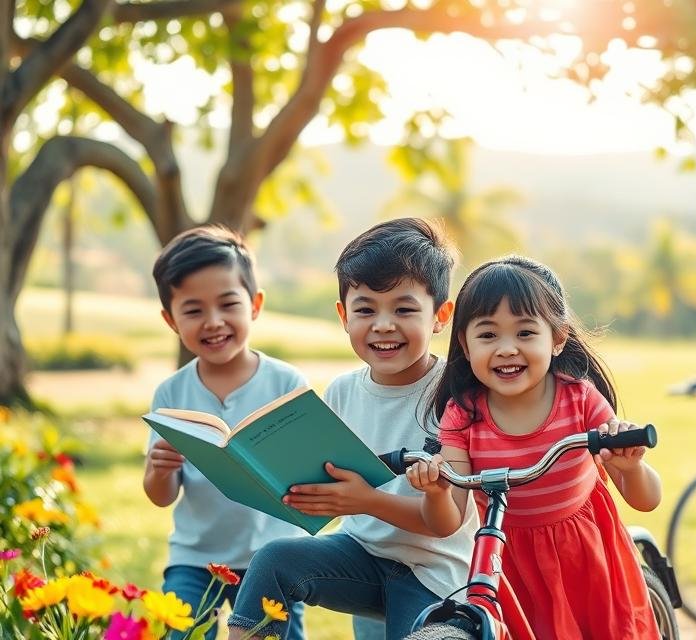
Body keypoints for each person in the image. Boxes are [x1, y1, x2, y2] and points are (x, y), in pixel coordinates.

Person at [225, 218, 477, 640]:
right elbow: (330, 478)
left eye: (404, 308)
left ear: (440, 315)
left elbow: (445, 523)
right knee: (272, 560)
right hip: (359, 556)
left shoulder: (455, 395)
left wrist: (365, 500)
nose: (382, 324)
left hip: (435, 573)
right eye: (365, 309)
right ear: (343, 316)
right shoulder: (342, 391)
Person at [406, 255, 662, 640]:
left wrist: (629, 468)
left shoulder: (579, 400)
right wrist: (438, 491)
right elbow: (446, 522)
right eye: (488, 335)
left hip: (585, 560)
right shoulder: (463, 413)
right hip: (505, 563)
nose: (507, 348)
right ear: (465, 343)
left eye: (525, 333)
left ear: (557, 339)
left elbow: (646, 500)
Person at [144, 225, 307, 640]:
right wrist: (159, 471)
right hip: (195, 557)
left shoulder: (286, 383)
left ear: (254, 305)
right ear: (170, 319)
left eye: (227, 304)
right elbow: (161, 497)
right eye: (194, 310)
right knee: (178, 633)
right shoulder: (172, 392)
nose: (213, 322)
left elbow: (307, 476)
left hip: (272, 558)